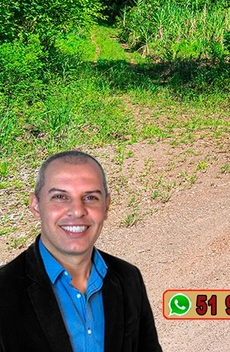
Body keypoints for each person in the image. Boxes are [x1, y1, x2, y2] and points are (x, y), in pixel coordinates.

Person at [0, 150, 162, 352]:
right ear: (36, 205)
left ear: (106, 206)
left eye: (90, 197)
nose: (77, 211)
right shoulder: (4, 291)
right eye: (60, 196)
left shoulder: (129, 278)